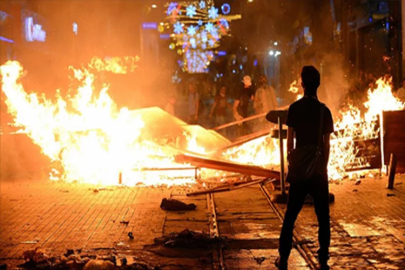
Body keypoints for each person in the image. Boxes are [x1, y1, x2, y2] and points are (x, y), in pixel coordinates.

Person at [276, 66, 334, 270]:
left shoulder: (294, 109)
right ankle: (324, 258)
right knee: (323, 217)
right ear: (318, 84)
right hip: (318, 172)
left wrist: (292, 167)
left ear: (302, 84)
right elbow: (326, 144)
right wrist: (323, 168)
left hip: (299, 171)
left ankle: (283, 258)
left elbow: (289, 141)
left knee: (291, 214)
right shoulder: (324, 112)